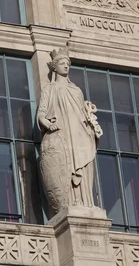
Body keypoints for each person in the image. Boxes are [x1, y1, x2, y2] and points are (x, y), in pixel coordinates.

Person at [36, 47, 102, 213]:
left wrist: (91, 121)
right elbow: (41, 114)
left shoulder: (76, 90)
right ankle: (74, 201)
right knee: (68, 165)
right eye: (62, 63)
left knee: (84, 163)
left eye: (68, 64)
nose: (66, 66)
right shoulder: (49, 89)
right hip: (63, 135)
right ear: (54, 67)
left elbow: (82, 113)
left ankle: (86, 202)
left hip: (80, 134)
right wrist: (48, 125)